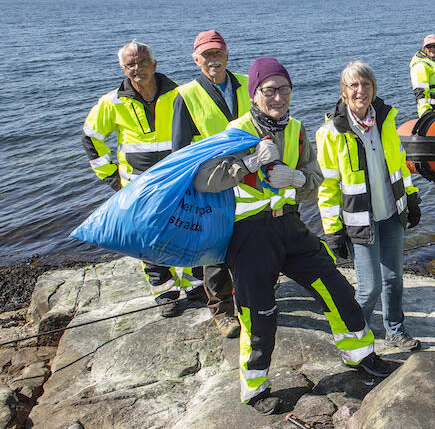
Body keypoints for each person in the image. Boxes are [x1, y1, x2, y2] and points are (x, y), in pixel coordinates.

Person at [193, 57, 392, 414]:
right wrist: (248, 164)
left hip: (290, 225)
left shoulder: (297, 129)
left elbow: (314, 179)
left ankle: (360, 355)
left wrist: (299, 180)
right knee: (259, 314)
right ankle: (254, 389)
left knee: (336, 288)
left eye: (284, 89)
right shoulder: (235, 129)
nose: (278, 97)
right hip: (249, 234)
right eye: (269, 90)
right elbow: (205, 179)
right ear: (255, 93)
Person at [82, 40, 203, 318]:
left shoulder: (180, 94)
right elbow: (91, 137)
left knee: (187, 228)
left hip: (178, 179)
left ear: (154, 64)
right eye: (131, 64)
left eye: (142, 62)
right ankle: (165, 292)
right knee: (149, 237)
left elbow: (200, 131)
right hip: (138, 185)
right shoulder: (112, 102)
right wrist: (112, 178)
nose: (137, 68)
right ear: (124, 69)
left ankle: (196, 284)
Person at [316, 60, 423, 352]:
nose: (360, 90)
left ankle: (395, 330)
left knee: (394, 278)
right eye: (353, 85)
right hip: (359, 220)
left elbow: (399, 165)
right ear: (343, 91)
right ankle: (353, 336)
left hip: (391, 213)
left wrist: (411, 197)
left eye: (366, 84)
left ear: (374, 89)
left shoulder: (386, 122)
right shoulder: (331, 132)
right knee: (369, 287)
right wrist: (332, 229)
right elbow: (327, 187)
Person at [170, 30, 245, 338]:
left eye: (218, 53)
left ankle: (248, 299)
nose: (213, 59)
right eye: (207, 54)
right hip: (210, 181)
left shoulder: (246, 81)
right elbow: (180, 148)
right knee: (214, 249)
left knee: (247, 240)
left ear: (226, 53)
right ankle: (222, 312)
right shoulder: (185, 95)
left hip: (248, 175)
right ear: (196, 58)